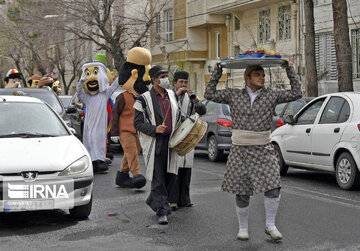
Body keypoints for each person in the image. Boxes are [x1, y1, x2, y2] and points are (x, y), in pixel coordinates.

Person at [204, 61, 302, 241]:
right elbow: (209, 93)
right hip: (239, 149)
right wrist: (218, 71)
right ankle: (243, 228)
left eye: (263, 75)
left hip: (263, 148)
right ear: (247, 77)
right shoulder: (233, 94)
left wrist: (289, 68)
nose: (262, 77)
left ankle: (270, 225)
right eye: (258, 75)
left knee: (273, 185)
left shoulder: (271, 95)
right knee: (242, 190)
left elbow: (297, 93)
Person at [133, 65, 182, 225]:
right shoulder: (143, 99)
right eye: (162, 76)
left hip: (172, 142)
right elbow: (138, 123)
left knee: (171, 176)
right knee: (158, 177)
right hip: (155, 143)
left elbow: (179, 115)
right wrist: (155, 129)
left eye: (166, 75)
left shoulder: (172, 95)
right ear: (154, 79)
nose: (165, 78)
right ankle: (161, 211)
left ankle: (154, 200)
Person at [111, 47, 151, 189]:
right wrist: (114, 133)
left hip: (138, 131)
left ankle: (122, 175)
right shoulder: (122, 97)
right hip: (125, 131)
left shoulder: (142, 98)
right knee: (132, 152)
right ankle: (136, 175)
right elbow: (115, 115)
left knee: (132, 152)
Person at [168, 70, 206, 210]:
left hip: (188, 135)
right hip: (175, 135)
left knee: (186, 168)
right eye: (181, 82)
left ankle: (185, 198)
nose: (183, 85)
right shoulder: (170, 95)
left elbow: (202, 111)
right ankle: (173, 200)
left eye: (185, 82)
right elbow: (169, 109)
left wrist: (196, 100)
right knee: (175, 169)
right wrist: (177, 96)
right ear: (175, 83)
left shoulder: (190, 97)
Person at [77, 61, 119, 173]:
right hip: (89, 125)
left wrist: (122, 74)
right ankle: (92, 162)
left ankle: (99, 160)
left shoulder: (104, 95)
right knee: (90, 141)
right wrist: (81, 82)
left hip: (100, 125)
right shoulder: (87, 98)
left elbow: (114, 86)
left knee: (99, 141)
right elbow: (79, 93)